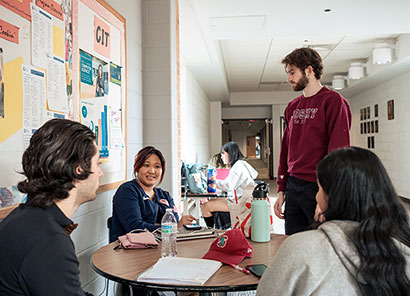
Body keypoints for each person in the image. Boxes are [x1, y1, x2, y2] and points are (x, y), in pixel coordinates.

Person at [257, 147, 410, 295]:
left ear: (332, 195)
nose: (316, 197)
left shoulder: (300, 248)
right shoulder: (403, 250)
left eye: (319, 189)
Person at [0, 119, 101, 296]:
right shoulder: (49, 242)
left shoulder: (27, 216)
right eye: (97, 163)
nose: (100, 172)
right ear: (79, 169)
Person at [274, 47, 352, 235]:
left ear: (309, 70)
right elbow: (286, 149)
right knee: (292, 242)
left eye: (292, 72)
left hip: (316, 186)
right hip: (293, 185)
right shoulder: (292, 107)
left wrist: (325, 194)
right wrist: (281, 190)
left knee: (321, 242)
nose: (289, 79)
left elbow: (337, 152)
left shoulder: (333, 101)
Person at [110, 146, 196, 242]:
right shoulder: (127, 191)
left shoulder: (164, 195)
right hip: (127, 252)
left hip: (157, 247)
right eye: (146, 165)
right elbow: (135, 229)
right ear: (137, 167)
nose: (152, 171)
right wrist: (169, 227)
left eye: (157, 166)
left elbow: (174, 221)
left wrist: (160, 226)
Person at [200, 142, 258, 228]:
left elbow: (228, 185)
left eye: (223, 153)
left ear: (231, 153)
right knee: (210, 202)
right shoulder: (240, 164)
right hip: (239, 199)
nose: (221, 156)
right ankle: (213, 230)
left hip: (240, 203)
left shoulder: (238, 165)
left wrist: (210, 181)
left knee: (205, 207)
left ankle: (212, 232)